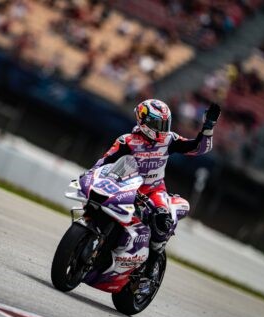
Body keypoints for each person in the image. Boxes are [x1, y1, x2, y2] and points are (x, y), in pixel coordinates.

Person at [91, 99, 220, 285]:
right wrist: (93, 176)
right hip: (124, 185)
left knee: (162, 218)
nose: (162, 128)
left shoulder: (169, 140)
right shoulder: (126, 140)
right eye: (158, 124)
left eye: (165, 124)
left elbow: (199, 148)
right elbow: (104, 162)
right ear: (144, 121)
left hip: (153, 191)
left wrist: (208, 126)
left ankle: (152, 263)